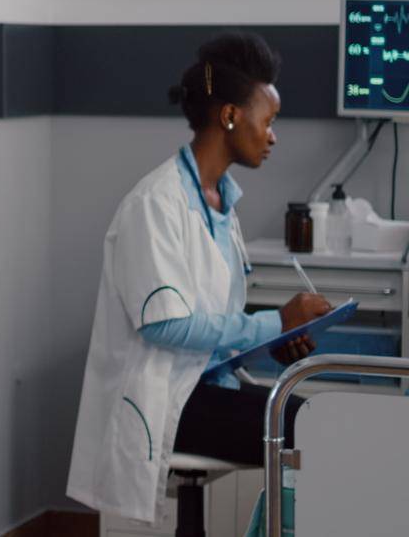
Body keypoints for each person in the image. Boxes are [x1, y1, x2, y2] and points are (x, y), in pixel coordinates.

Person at [66, 32, 331, 525]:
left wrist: (276, 339)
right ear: (230, 116)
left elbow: (212, 322)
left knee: (316, 413)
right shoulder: (156, 204)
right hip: (168, 401)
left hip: (203, 385)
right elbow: (165, 325)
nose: (273, 136)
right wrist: (273, 323)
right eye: (267, 121)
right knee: (309, 429)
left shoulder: (218, 202)